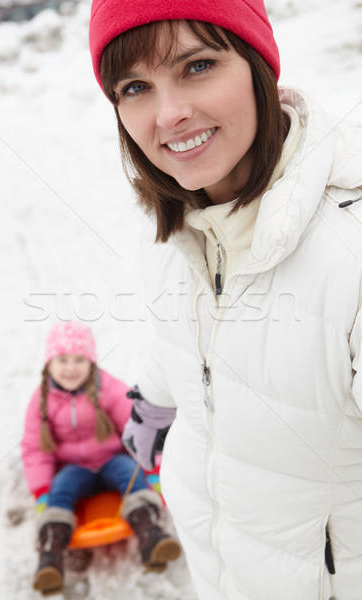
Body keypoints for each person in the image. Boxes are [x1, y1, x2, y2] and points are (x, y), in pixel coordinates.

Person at [88, 1, 362, 599]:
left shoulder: (352, 251)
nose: (170, 114)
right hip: (221, 569)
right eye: (136, 86)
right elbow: (179, 336)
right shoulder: (174, 225)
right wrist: (153, 405)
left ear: (258, 65)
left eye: (197, 66)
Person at [21, 321, 180, 596]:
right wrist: (42, 492)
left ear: (91, 362)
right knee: (60, 491)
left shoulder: (109, 388)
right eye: (62, 360)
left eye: (79, 360)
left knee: (130, 473)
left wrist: (151, 468)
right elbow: (36, 449)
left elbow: (136, 426)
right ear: (49, 363)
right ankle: (51, 555)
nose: (70, 368)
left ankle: (150, 533)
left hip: (111, 459)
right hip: (73, 468)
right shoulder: (41, 401)